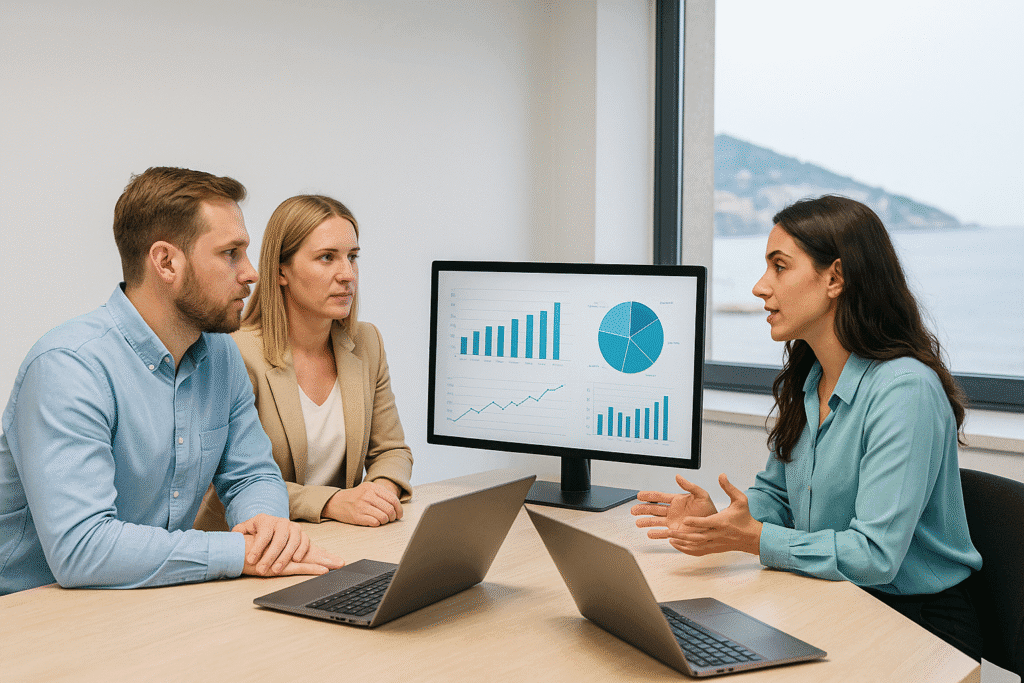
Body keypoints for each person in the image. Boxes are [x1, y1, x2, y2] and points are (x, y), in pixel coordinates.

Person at [631, 195, 983, 659]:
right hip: (834, 597)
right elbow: (776, 498)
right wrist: (718, 519)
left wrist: (752, 538)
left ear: (834, 278)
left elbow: (874, 556)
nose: (760, 287)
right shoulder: (810, 377)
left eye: (780, 266)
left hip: (917, 625)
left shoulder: (905, 391)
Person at [0, 167, 343, 595]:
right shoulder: (68, 367)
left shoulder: (221, 356)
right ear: (165, 262)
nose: (252, 273)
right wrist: (238, 553)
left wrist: (269, 529)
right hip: (30, 613)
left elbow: (252, 475)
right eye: (230, 253)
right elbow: (82, 548)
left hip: (149, 599)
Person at [194, 194, 412, 531]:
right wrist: (331, 502)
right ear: (281, 271)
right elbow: (225, 482)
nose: (347, 275)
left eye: (352, 258)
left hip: (337, 539)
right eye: (327, 258)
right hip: (247, 544)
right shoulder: (234, 353)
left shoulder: (367, 343)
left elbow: (392, 450)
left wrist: (379, 494)